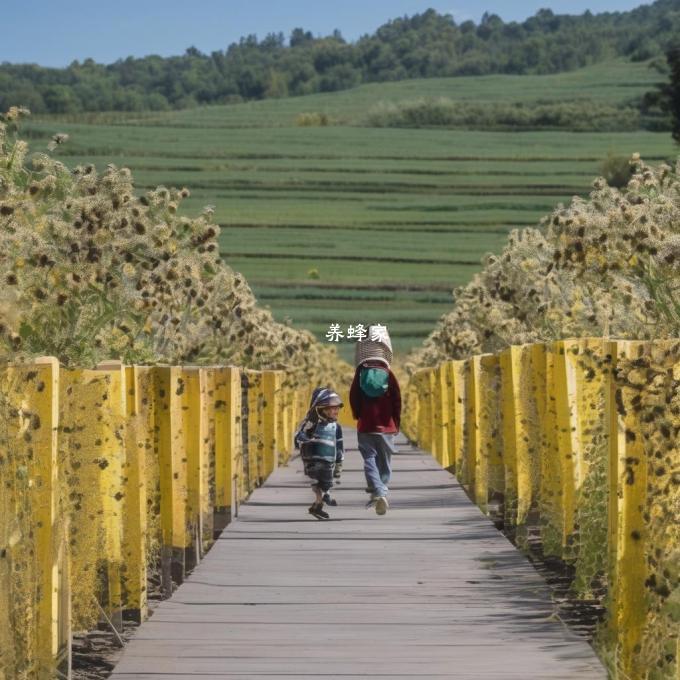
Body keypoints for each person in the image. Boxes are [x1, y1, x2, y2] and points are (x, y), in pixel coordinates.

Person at [350, 326, 401, 516]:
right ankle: (382, 489)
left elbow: (354, 397)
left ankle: (378, 491)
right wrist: (396, 422)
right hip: (387, 426)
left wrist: (357, 415)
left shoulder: (360, 372)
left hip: (366, 425)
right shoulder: (389, 374)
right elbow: (397, 401)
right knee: (385, 461)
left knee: (369, 459)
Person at [294, 388, 344, 520]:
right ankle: (323, 499)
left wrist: (339, 461)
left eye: (337, 408)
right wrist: (305, 438)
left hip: (328, 458)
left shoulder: (336, 427)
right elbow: (299, 436)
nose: (336, 411)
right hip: (312, 459)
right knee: (318, 481)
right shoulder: (312, 423)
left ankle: (318, 504)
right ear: (321, 409)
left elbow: (339, 444)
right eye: (332, 408)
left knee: (325, 481)